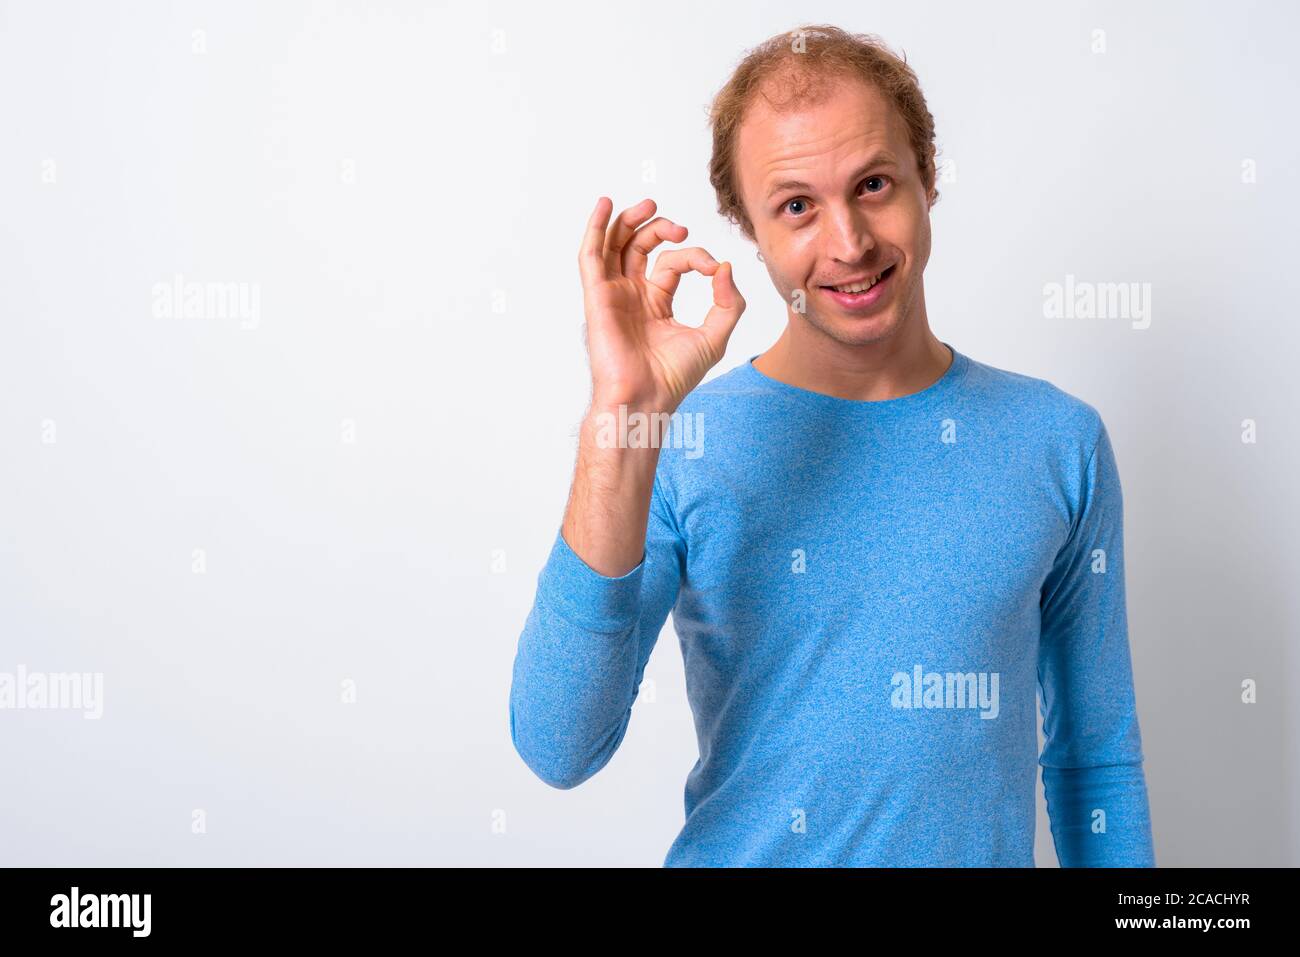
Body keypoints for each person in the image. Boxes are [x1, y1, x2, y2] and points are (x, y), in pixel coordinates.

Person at [509, 24, 1155, 867]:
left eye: (875, 184)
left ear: (928, 176)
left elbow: (1093, 762)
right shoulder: (679, 441)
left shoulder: (1056, 441)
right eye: (797, 206)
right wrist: (621, 411)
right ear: (748, 225)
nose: (849, 243)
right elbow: (559, 746)